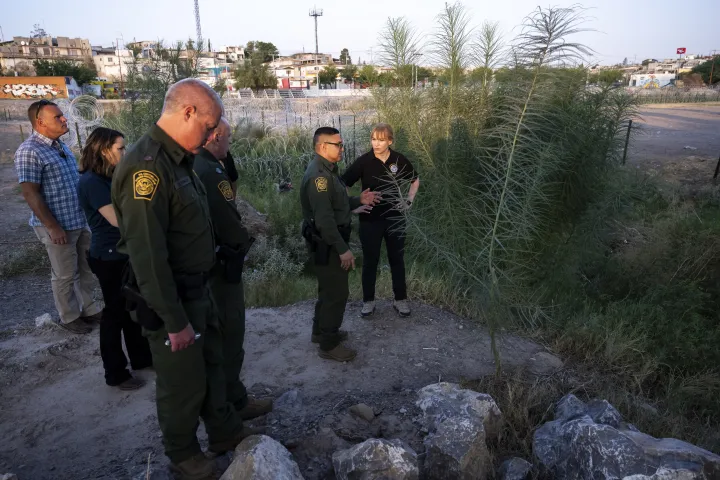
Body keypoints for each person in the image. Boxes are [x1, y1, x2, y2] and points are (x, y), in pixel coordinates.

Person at [111, 79, 254, 479]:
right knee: (182, 382)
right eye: (209, 126)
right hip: (173, 298)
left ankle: (225, 432)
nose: (212, 135)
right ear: (187, 111)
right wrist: (174, 321)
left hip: (200, 288)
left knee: (211, 365)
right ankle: (183, 453)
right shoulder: (147, 169)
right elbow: (148, 257)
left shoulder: (180, 162)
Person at [192, 117, 273, 419]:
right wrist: (244, 241)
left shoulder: (196, 164)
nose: (229, 142)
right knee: (229, 332)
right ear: (213, 138)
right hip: (220, 263)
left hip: (207, 260)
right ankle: (231, 404)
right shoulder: (211, 170)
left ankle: (229, 399)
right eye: (226, 137)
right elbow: (228, 220)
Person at [14, 100, 101, 335]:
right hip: (57, 225)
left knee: (85, 268)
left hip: (78, 220)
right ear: (40, 122)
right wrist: (52, 227)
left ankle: (89, 309)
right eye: (58, 117)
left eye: (63, 116)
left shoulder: (58, 146)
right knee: (64, 274)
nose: (65, 120)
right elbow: (30, 193)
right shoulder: (29, 151)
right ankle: (69, 316)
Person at [77, 127, 152, 391]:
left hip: (122, 253)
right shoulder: (91, 182)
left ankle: (141, 359)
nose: (125, 151)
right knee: (115, 315)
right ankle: (116, 374)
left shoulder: (108, 177)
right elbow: (118, 220)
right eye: (120, 148)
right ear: (104, 150)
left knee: (132, 309)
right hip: (109, 257)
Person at [300, 126, 380, 362]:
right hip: (328, 243)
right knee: (337, 292)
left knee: (328, 289)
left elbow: (337, 204)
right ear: (323, 146)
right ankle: (329, 344)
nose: (343, 148)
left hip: (328, 241)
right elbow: (325, 220)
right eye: (338, 144)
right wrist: (343, 250)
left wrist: (358, 200)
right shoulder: (319, 177)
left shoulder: (328, 170)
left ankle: (320, 332)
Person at [341, 123, 420, 318]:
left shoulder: (398, 160)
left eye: (381, 139)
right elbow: (342, 183)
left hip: (395, 219)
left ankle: (400, 300)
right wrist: (353, 205)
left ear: (390, 141)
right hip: (370, 220)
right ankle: (368, 302)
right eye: (373, 139)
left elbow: (415, 180)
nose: (376, 143)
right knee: (370, 262)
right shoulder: (364, 161)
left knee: (397, 260)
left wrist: (408, 201)